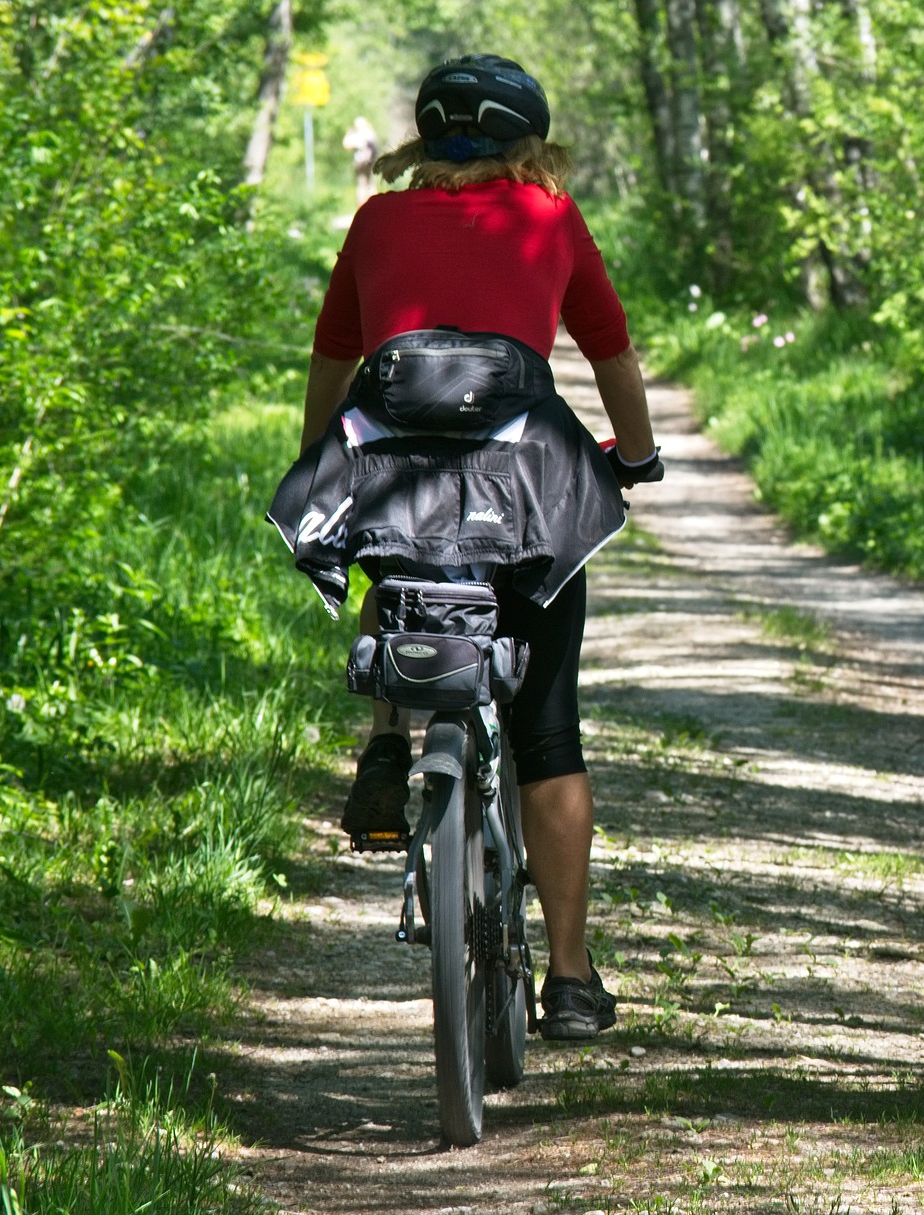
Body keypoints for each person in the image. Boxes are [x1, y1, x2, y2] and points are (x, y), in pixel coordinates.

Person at [298, 55, 664, 1040]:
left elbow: (336, 360)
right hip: (524, 482)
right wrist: (637, 457)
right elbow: (611, 350)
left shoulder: (377, 220)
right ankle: (572, 977)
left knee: (393, 548)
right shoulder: (548, 215)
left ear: (424, 141)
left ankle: (386, 736)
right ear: (527, 144)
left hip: (394, 469)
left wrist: (318, 460)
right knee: (549, 730)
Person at [341, 115, 379, 205]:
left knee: (363, 184)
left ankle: (363, 206)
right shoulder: (369, 132)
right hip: (368, 162)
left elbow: (346, 144)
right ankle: (372, 205)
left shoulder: (356, 134)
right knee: (368, 184)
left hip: (362, 162)